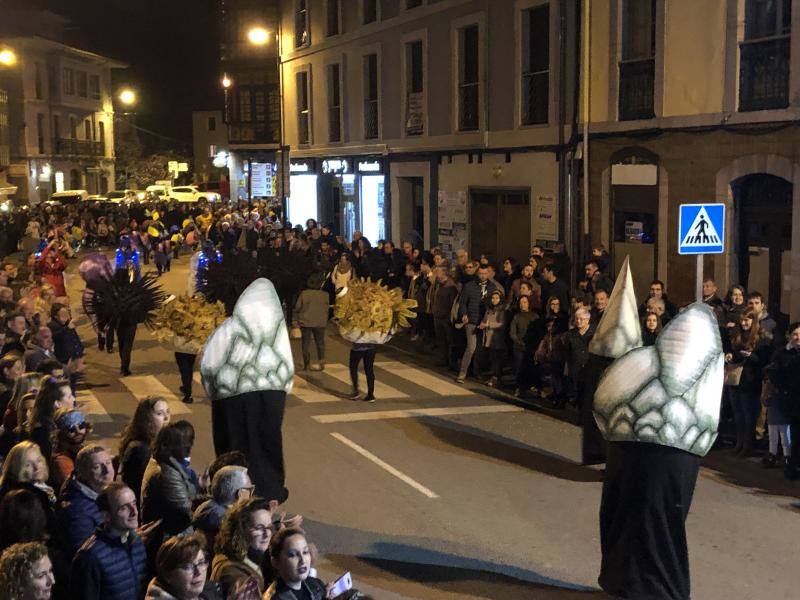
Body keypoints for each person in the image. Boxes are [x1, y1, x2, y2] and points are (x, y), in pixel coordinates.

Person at [69, 483, 148, 600]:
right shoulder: (89, 557)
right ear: (106, 516)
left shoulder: (137, 541)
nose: (134, 512)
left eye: (134, 503)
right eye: (124, 508)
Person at [725, 309, 772, 457]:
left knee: (748, 415)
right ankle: (739, 443)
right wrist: (729, 355)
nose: (744, 323)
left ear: (753, 321)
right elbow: (732, 352)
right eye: (743, 320)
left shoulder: (761, 337)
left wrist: (751, 356)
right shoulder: (736, 335)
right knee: (738, 414)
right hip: (735, 379)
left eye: (747, 320)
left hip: (750, 381)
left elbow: (764, 361)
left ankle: (747, 446)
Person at [141, 420, 198, 538]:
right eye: (186, 443)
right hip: (171, 537)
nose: (190, 447)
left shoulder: (168, 462)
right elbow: (187, 510)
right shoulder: (165, 474)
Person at [58, 444, 115, 557]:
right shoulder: (77, 511)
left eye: (108, 463)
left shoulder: (102, 492)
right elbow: (86, 555)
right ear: (82, 473)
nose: (107, 470)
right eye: (97, 467)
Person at [211, 497, 274, 596]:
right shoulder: (232, 573)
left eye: (269, 527)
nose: (267, 534)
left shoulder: (253, 556)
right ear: (241, 530)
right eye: (259, 528)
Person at [765, 322, 800, 480]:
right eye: (795, 334)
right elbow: (774, 373)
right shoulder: (782, 353)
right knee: (793, 435)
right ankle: (791, 465)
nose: (798, 337)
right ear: (789, 336)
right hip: (790, 399)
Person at [118, 396, 171, 502]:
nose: (166, 418)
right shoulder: (140, 450)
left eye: (168, 412)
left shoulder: (157, 442)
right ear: (147, 419)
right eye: (159, 413)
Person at [144, 533, 224, 600]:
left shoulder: (209, 590)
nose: (198, 572)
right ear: (168, 575)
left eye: (201, 562)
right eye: (187, 566)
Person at [192, 466, 254, 551]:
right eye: (250, 490)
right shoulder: (226, 523)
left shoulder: (207, 508)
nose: (251, 496)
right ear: (239, 494)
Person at [456, 264, 497, 384]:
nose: (483, 276)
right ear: (477, 274)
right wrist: (464, 314)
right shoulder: (469, 286)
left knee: (480, 349)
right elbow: (463, 302)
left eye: (485, 273)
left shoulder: (492, 287)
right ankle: (462, 373)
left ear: (488, 274)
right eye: (480, 273)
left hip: (485, 322)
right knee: (471, 347)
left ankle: (476, 372)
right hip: (472, 321)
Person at [264, 528, 328, 600]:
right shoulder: (273, 597)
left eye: (305, 552)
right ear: (276, 562)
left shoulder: (315, 585)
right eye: (293, 555)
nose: (303, 560)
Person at [29, 377, 75, 463]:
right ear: (57, 403)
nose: (73, 399)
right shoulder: (43, 431)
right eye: (69, 397)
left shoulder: (58, 422)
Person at [292, 273, 329, 371]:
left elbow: (297, 307)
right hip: (320, 322)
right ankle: (321, 361)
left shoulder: (304, 294)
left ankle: (307, 364)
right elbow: (326, 309)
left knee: (306, 343)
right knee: (320, 342)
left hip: (306, 321)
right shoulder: (325, 295)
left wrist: (295, 321)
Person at [49, 408, 91, 491]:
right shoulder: (62, 460)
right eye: (71, 429)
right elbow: (76, 488)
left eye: (81, 426)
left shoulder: (81, 449)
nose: (78, 431)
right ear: (60, 434)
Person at [562, 308, 594, 407]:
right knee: (579, 392)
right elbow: (567, 352)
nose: (578, 321)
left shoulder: (594, 333)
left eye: (581, 319)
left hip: (590, 368)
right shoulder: (570, 335)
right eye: (577, 319)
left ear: (587, 319)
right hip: (576, 368)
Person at [510, 295, 538, 397]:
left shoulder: (534, 316)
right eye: (521, 302)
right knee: (519, 367)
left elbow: (538, 331)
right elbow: (512, 333)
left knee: (531, 367)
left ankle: (531, 386)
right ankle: (518, 387)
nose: (523, 304)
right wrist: (519, 342)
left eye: (525, 302)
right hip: (519, 347)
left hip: (531, 346)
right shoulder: (516, 316)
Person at [431, 266, 458, 370]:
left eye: (438, 272)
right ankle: (443, 359)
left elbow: (452, 304)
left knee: (449, 340)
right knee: (441, 340)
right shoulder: (439, 285)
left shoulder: (451, 288)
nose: (436, 274)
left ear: (443, 274)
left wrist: (446, 315)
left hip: (446, 319)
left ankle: (451, 362)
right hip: (438, 317)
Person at [479, 290, 507, 387]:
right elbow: (484, 319)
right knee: (492, 358)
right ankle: (494, 377)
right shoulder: (489, 310)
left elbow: (502, 324)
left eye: (497, 298)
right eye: (493, 298)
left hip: (497, 339)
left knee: (496, 360)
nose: (494, 300)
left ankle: (496, 378)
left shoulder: (501, 311)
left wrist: (489, 324)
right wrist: (482, 324)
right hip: (488, 337)